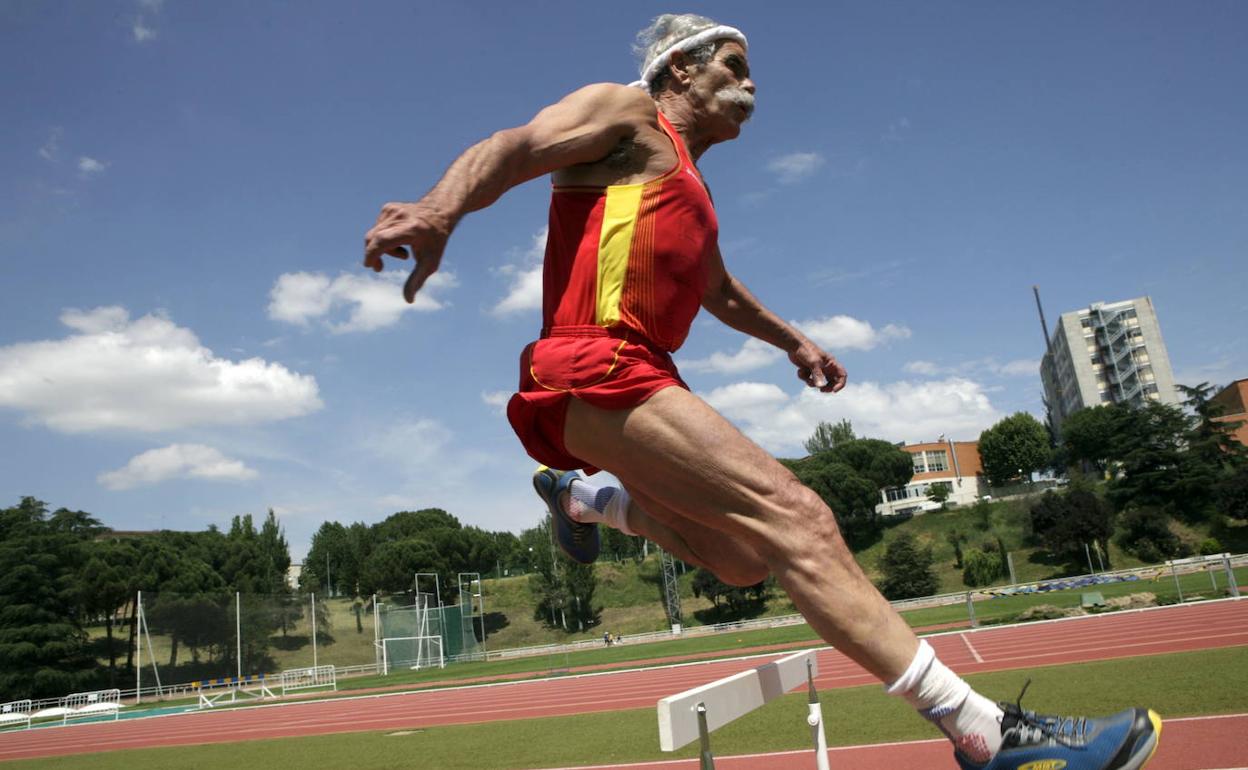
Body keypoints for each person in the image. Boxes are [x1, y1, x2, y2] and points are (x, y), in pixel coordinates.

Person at [364, 14, 1159, 770]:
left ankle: (580, 502)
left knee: (742, 556)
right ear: (682, 67)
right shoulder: (627, 112)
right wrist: (439, 209)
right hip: (592, 359)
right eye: (735, 67)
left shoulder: (689, 188)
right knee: (799, 517)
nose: (754, 87)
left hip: (638, 376)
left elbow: (717, 289)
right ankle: (986, 732)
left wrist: (795, 342)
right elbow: (514, 145)